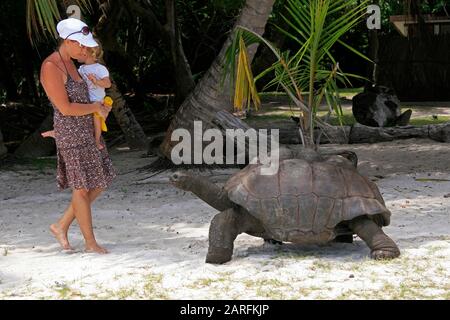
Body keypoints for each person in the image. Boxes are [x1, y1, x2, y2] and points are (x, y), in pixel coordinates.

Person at [40, 18, 116, 254]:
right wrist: (95, 108)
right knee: (82, 188)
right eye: (81, 45)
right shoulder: (51, 66)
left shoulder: (74, 64)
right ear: (67, 41)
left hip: (87, 130)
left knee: (101, 182)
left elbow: (89, 96)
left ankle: (61, 225)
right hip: (71, 133)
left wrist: (101, 107)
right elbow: (65, 108)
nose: (85, 49)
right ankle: (90, 243)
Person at [42, 43, 111, 150]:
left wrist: (97, 81)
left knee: (97, 120)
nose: (80, 52)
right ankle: (60, 132)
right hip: (87, 99)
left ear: (89, 54)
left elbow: (108, 84)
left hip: (97, 100)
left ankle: (97, 141)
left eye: (83, 49)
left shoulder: (100, 68)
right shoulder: (81, 68)